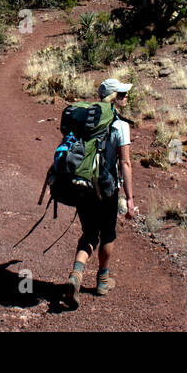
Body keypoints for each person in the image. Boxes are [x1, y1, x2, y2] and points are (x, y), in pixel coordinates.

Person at [62, 77, 135, 307]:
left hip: (83, 185)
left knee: (89, 233)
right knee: (108, 234)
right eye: (122, 94)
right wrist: (130, 198)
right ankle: (102, 280)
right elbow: (125, 164)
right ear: (113, 98)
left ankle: (76, 274)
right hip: (106, 188)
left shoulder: (87, 121)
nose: (125, 97)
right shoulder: (120, 126)